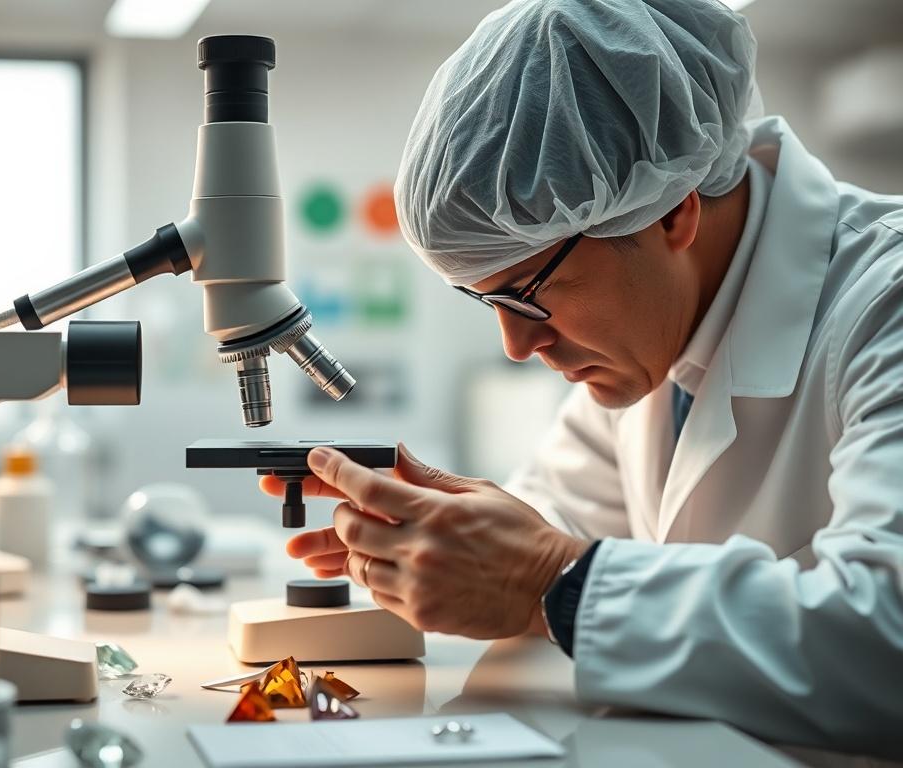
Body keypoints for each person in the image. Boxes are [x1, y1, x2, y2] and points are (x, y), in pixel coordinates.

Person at [260, 0, 903, 756]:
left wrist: (550, 582)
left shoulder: (883, 302)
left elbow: (885, 638)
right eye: (487, 302)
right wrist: (425, 535)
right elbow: (559, 512)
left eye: (527, 293)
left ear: (671, 214)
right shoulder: (647, 342)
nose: (516, 345)